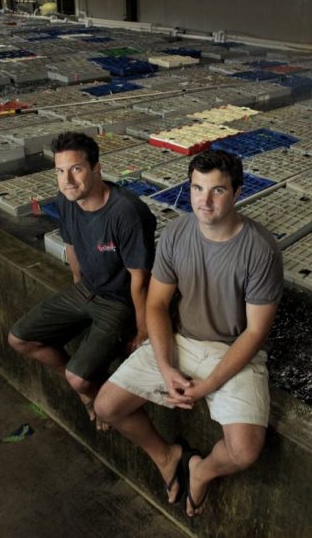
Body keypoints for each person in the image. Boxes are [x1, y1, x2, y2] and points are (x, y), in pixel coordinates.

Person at [94, 150, 283, 516]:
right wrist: (166, 367)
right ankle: (166, 456)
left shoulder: (261, 250)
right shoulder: (178, 232)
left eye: (217, 191)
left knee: (244, 451)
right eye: (197, 188)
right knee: (106, 405)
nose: (204, 201)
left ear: (238, 193)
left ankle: (201, 470)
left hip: (233, 349)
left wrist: (209, 384)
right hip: (182, 340)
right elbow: (156, 305)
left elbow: (256, 332)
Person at [8, 131, 156, 430]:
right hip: (87, 290)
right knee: (19, 338)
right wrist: (77, 286)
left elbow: (139, 278)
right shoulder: (66, 200)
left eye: (76, 169)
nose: (68, 181)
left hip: (119, 301)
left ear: (96, 168)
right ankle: (90, 389)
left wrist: (142, 330)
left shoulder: (126, 212)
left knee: (77, 376)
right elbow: (72, 246)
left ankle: (88, 390)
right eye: (60, 171)